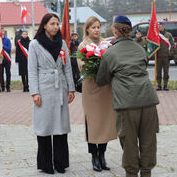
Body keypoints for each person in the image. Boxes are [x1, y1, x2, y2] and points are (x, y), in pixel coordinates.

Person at [96, 15, 160, 177]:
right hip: (148, 100)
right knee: (148, 141)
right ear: (130, 31)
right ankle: (146, 173)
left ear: (115, 31)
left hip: (126, 103)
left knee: (129, 143)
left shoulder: (110, 53)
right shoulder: (140, 49)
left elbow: (101, 80)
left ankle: (131, 174)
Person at [28, 13, 75, 174]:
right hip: (44, 88)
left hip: (60, 87)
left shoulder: (62, 44)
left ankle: (61, 163)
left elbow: (67, 67)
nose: (56, 27)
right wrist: (34, 92)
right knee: (45, 126)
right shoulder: (35, 44)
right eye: (52, 24)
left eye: (57, 24)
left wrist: (71, 88)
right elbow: (32, 70)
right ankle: (46, 164)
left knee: (61, 126)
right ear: (45, 25)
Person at [77, 16, 117, 172]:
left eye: (98, 27)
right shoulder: (83, 45)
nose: (96, 30)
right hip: (91, 89)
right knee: (93, 123)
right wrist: (95, 67)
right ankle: (94, 156)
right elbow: (83, 66)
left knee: (106, 122)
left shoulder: (106, 44)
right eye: (93, 27)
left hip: (106, 89)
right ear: (87, 29)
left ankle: (102, 155)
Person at [156, 22, 175, 91]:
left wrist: (171, 55)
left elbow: (172, 45)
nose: (159, 27)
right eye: (158, 26)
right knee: (158, 72)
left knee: (166, 72)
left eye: (160, 26)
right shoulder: (156, 35)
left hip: (166, 57)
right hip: (158, 57)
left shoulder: (168, 35)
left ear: (163, 26)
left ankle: (165, 85)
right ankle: (159, 85)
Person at [0, 27, 11, 92]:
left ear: (4, 32)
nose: (1, 32)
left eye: (2, 31)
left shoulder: (7, 40)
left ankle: (8, 87)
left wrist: (2, 46)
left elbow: (9, 49)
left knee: (8, 73)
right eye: (0, 31)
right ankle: (2, 87)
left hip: (6, 58)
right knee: (0, 73)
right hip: (0, 58)